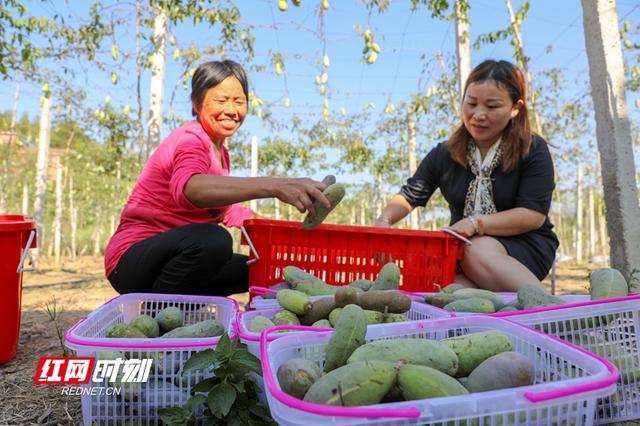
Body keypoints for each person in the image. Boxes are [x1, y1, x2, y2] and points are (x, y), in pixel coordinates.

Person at [105, 60, 330, 296]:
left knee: (253, 270)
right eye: (221, 101)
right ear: (196, 103)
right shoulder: (191, 140)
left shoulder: (220, 153)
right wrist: (275, 186)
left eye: (239, 102)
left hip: (170, 263)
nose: (232, 110)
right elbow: (190, 189)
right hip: (131, 261)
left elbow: (228, 212)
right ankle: (158, 315)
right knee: (214, 241)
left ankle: (182, 309)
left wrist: (287, 236)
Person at [374, 59, 558, 292]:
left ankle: (549, 310)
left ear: (515, 108)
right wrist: (383, 222)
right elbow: (410, 195)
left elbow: (532, 215)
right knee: (439, 285)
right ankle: (504, 320)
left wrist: (475, 223)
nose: (478, 115)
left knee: (475, 249)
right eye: (471, 103)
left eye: (492, 107)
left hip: (524, 245)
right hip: (462, 252)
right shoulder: (445, 153)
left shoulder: (531, 149)